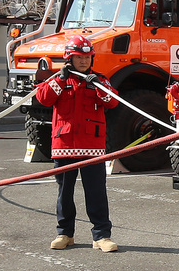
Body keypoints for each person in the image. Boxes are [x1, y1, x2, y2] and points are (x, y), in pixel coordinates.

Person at [34, 35, 120, 252]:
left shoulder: (100, 79)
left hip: (93, 146)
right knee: (64, 193)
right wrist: (60, 79)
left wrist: (99, 86)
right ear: (69, 58)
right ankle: (64, 233)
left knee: (96, 192)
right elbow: (43, 98)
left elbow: (113, 102)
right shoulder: (58, 79)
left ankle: (101, 236)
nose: (83, 61)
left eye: (87, 57)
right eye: (78, 57)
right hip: (64, 145)